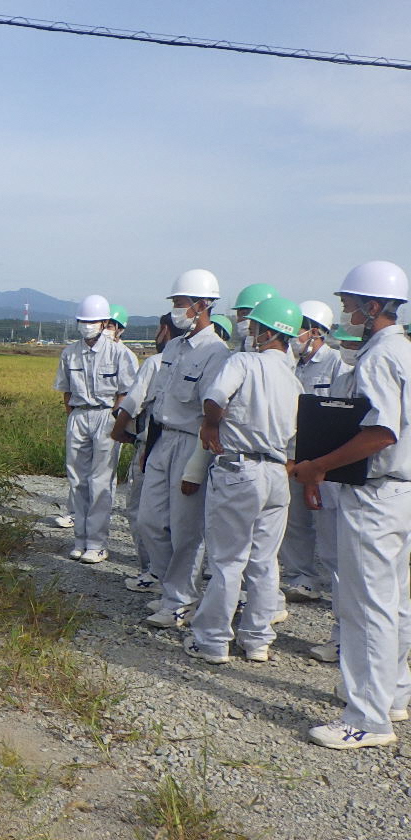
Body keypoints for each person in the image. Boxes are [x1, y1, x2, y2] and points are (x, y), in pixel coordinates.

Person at [293, 260, 411, 750]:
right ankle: (394, 695)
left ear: (373, 306)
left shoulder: (381, 357)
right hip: (396, 493)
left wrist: (319, 465)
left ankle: (367, 716)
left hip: (376, 495)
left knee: (366, 606)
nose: (344, 311)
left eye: (350, 303)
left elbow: (380, 431)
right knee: (393, 601)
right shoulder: (402, 351)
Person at [181, 298, 304, 663]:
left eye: (254, 328)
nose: (250, 333)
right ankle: (257, 640)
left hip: (238, 468)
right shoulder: (294, 381)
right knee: (265, 562)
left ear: (268, 333)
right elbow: (298, 443)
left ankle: (213, 640)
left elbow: (215, 398)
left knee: (227, 561)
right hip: (276, 474)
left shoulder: (243, 362)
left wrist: (210, 424)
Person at [136, 269, 231, 628]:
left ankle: (181, 600)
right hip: (163, 440)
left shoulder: (215, 353)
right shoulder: (173, 348)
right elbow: (160, 401)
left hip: (193, 444)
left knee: (185, 527)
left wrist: (197, 465)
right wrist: (149, 445)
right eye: (175, 303)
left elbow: (211, 416)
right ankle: (170, 588)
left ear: (202, 305)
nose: (176, 310)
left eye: (181, 303)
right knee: (149, 520)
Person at [53, 295, 138, 564]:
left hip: (106, 415)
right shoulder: (70, 353)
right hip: (79, 415)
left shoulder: (119, 353)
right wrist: (74, 417)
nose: (86, 326)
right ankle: (79, 539)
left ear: (104, 322)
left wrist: (116, 424)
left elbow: (126, 393)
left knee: (100, 480)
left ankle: (97, 543)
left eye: (92, 321)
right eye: (83, 321)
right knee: (77, 478)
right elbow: (66, 391)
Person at [276, 300, 347, 605]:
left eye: (299, 331)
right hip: (293, 455)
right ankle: (301, 578)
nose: (295, 338)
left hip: (323, 462)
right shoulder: (291, 364)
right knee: (294, 523)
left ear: (315, 332)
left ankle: (339, 588)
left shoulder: (338, 365)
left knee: (329, 529)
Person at [111, 313, 183, 589]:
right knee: (175, 515)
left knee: (143, 511)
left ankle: (152, 571)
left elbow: (132, 404)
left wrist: (119, 432)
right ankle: (168, 574)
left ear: (165, 330)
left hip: (151, 444)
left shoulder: (156, 362)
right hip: (180, 446)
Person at [305, 323, 361, 664]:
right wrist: (314, 477)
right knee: (334, 560)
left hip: (370, 488)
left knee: (362, 570)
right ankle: (342, 637)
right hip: (334, 481)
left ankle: (357, 645)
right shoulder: (343, 381)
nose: (349, 344)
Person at [230, 283, 279, 352]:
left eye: (244, 314)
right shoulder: (240, 350)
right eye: (239, 315)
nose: (240, 320)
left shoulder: (279, 354)